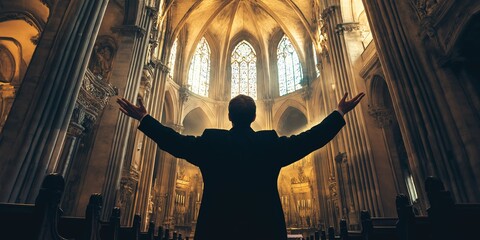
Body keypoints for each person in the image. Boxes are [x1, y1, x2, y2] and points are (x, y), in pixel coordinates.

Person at [117, 92, 365, 240]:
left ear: (229, 117)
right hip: (264, 228)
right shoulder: (269, 143)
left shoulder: (212, 142)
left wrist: (144, 118)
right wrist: (339, 113)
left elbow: (175, 142)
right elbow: (310, 139)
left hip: (217, 228)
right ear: (254, 117)